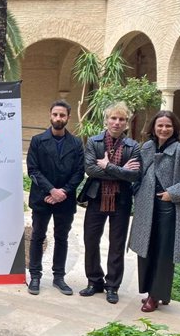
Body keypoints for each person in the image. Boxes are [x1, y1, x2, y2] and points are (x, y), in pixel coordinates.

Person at [129, 111, 180, 312]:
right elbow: (137, 174)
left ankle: (156, 295)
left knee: (163, 253)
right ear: (153, 127)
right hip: (147, 208)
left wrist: (173, 193)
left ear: (175, 129)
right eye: (160, 125)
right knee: (146, 251)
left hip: (169, 211)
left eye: (168, 126)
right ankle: (152, 291)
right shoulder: (147, 147)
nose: (163, 129)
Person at [80, 102, 140, 304]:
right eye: (113, 118)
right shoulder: (94, 142)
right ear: (106, 120)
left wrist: (107, 165)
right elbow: (90, 169)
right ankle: (94, 281)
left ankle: (112, 286)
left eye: (121, 119)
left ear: (126, 124)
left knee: (117, 244)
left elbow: (133, 175)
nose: (116, 122)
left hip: (121, 201)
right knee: (90, 240)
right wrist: (119, 170)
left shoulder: (133, 146)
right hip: (97, 198)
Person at [27, 100, 85, 296]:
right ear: (50, 116)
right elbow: (33, 170)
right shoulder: (37, 140)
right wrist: (52, 191)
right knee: (37, 236)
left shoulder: (76, 143)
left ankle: (59, 277)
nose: (58, 118)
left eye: (62, 115)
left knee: (62, 238)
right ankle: (35, 276)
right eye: (55, 114)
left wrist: (64, 192)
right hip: (42, 198)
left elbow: (79, 172)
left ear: (68, 117)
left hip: (65, 200)